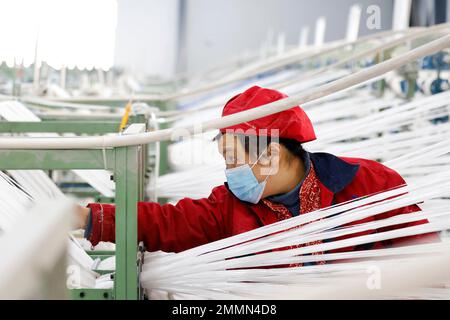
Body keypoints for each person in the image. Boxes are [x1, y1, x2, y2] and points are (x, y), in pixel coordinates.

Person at [76, 86, 438, 261]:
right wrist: (90, 217)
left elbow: (422, 259)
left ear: (272, 154)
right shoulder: (229, 208)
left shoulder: (369, 185)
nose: (229, 172)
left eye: (233, 159)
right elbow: (169, 222)